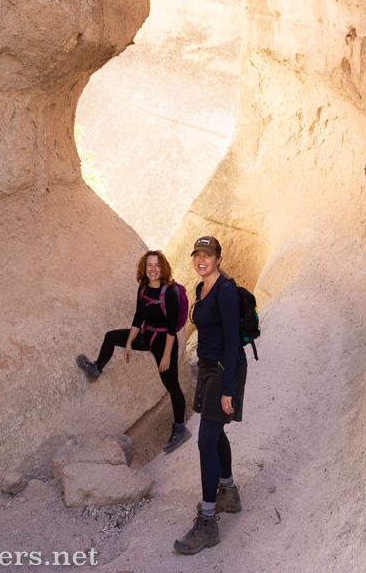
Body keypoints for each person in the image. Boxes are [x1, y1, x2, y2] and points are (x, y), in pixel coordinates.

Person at [76, 249, 191, 454]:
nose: (153, 269)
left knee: (171, 384)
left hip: (165, 341)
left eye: (156, 265)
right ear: (144, 268)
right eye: (149, 265)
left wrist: (166, 356)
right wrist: (129, 342)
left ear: (162, 267)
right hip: (147, 335)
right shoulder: (143, 289)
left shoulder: (170, 291)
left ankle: (180, 428)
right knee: (111, 337)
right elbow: (139, 317)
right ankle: (96, 368)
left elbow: (172, 328)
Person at [173, 236, 247, 555]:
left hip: (223, 371)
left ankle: (207, 523)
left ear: (218, 258)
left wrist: (229, 389)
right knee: (215, 436)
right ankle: (228, 492)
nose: (202, 259)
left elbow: (233, 342)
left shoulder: (226, 292)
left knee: (206, 441)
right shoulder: (201, 288)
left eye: (208, 255)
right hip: (207, 368)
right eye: (197, 255)